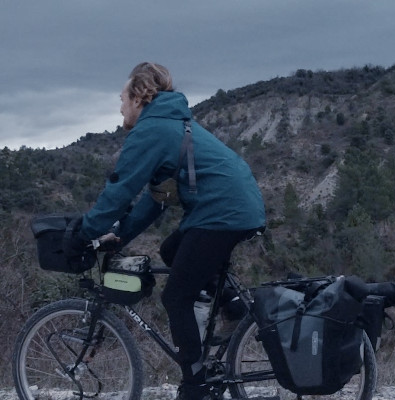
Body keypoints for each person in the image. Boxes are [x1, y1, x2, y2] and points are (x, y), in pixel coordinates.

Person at [71, 62, 266, 400]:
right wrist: (120, 237)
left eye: (121, 98)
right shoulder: (172, 123)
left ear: (138, 96)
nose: (119, 107)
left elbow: (119, 191)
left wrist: (82, 232)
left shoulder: (152, 130)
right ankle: (232, 306)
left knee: (176, 296)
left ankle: (196, 385)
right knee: (172, 251)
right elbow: (156, 199)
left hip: (221, 212)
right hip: (233, 206)